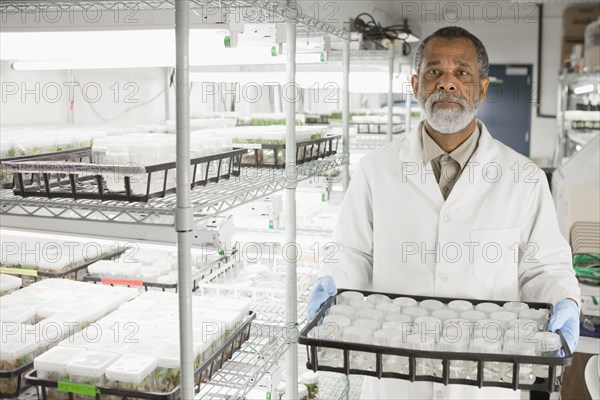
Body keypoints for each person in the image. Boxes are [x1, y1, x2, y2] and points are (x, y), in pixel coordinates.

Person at [308, 26, 580, 400]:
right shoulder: (376, 169)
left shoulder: (525, 177)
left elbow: (544, 268)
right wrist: (332, 287)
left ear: (482, 89)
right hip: (395, 376)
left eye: (462, 73)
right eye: (435, 72)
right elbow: (353, 252)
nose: (447, 84)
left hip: (487, 379)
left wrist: (564, 300)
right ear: (416, 84)